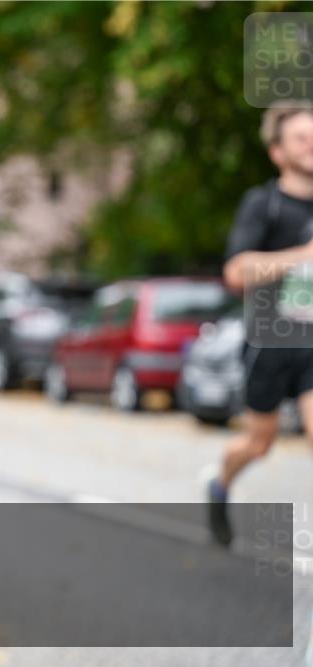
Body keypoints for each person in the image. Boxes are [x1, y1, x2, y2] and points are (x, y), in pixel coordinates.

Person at [208, 100, 313, 547]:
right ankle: (219, 485)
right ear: (277, 152)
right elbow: (235, 273)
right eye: (302, 139)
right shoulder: (263, 205)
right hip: (269, 344)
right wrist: (303, 256)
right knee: (259, 445)